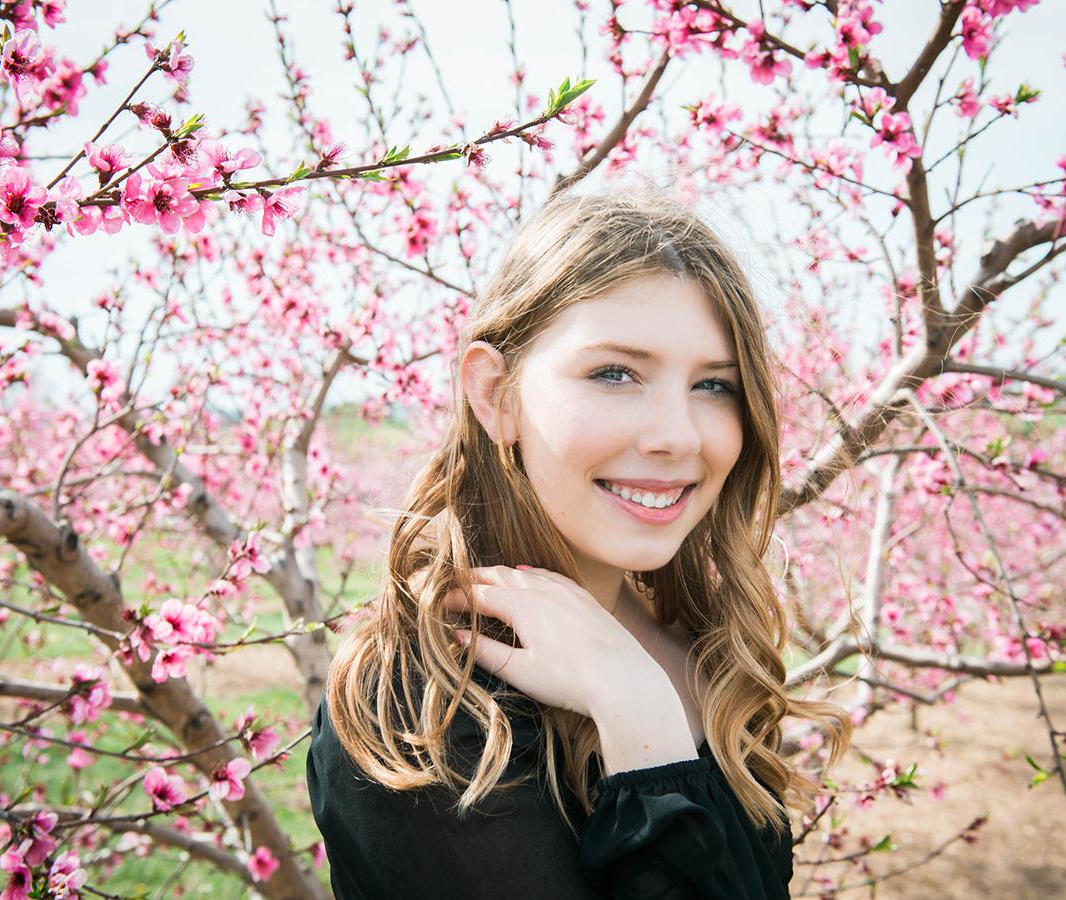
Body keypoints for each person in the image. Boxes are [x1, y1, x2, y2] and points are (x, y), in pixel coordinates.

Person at [306, 186, 851, 899]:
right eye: (615, 374)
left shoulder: (705, 645)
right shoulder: (420, 711)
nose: (677, 436)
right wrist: (642, 727)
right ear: (496, 395)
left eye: (714, 385)